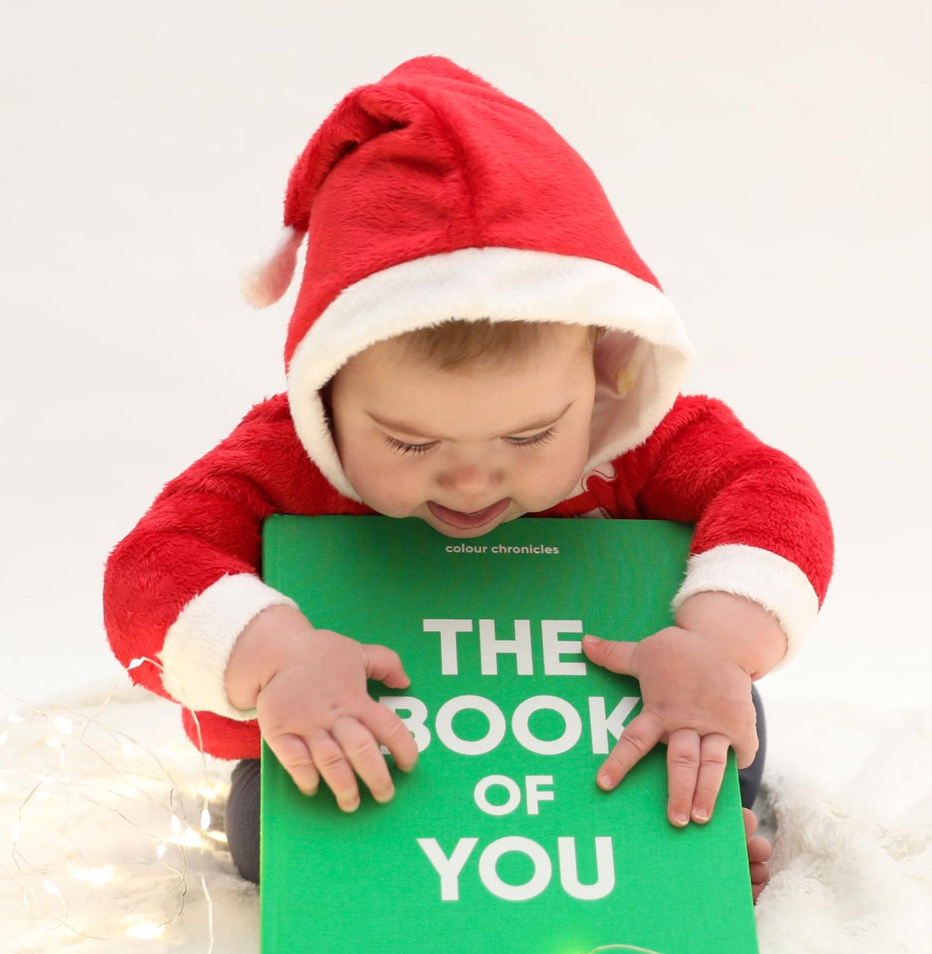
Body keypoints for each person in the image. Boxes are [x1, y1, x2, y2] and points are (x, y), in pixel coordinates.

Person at [103, 56, 833, 902]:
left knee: (721, 729)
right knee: (268, 832)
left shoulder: (638, 438)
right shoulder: (283, 459)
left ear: (602, 374)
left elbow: (772, 494)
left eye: (530, 435)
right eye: (410, 444)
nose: (473, 478)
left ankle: (678, 855)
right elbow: (150, 567)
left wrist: (717, 643)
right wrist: (279, 661)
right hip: (377, 743)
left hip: (599, 735)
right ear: (328, 392)